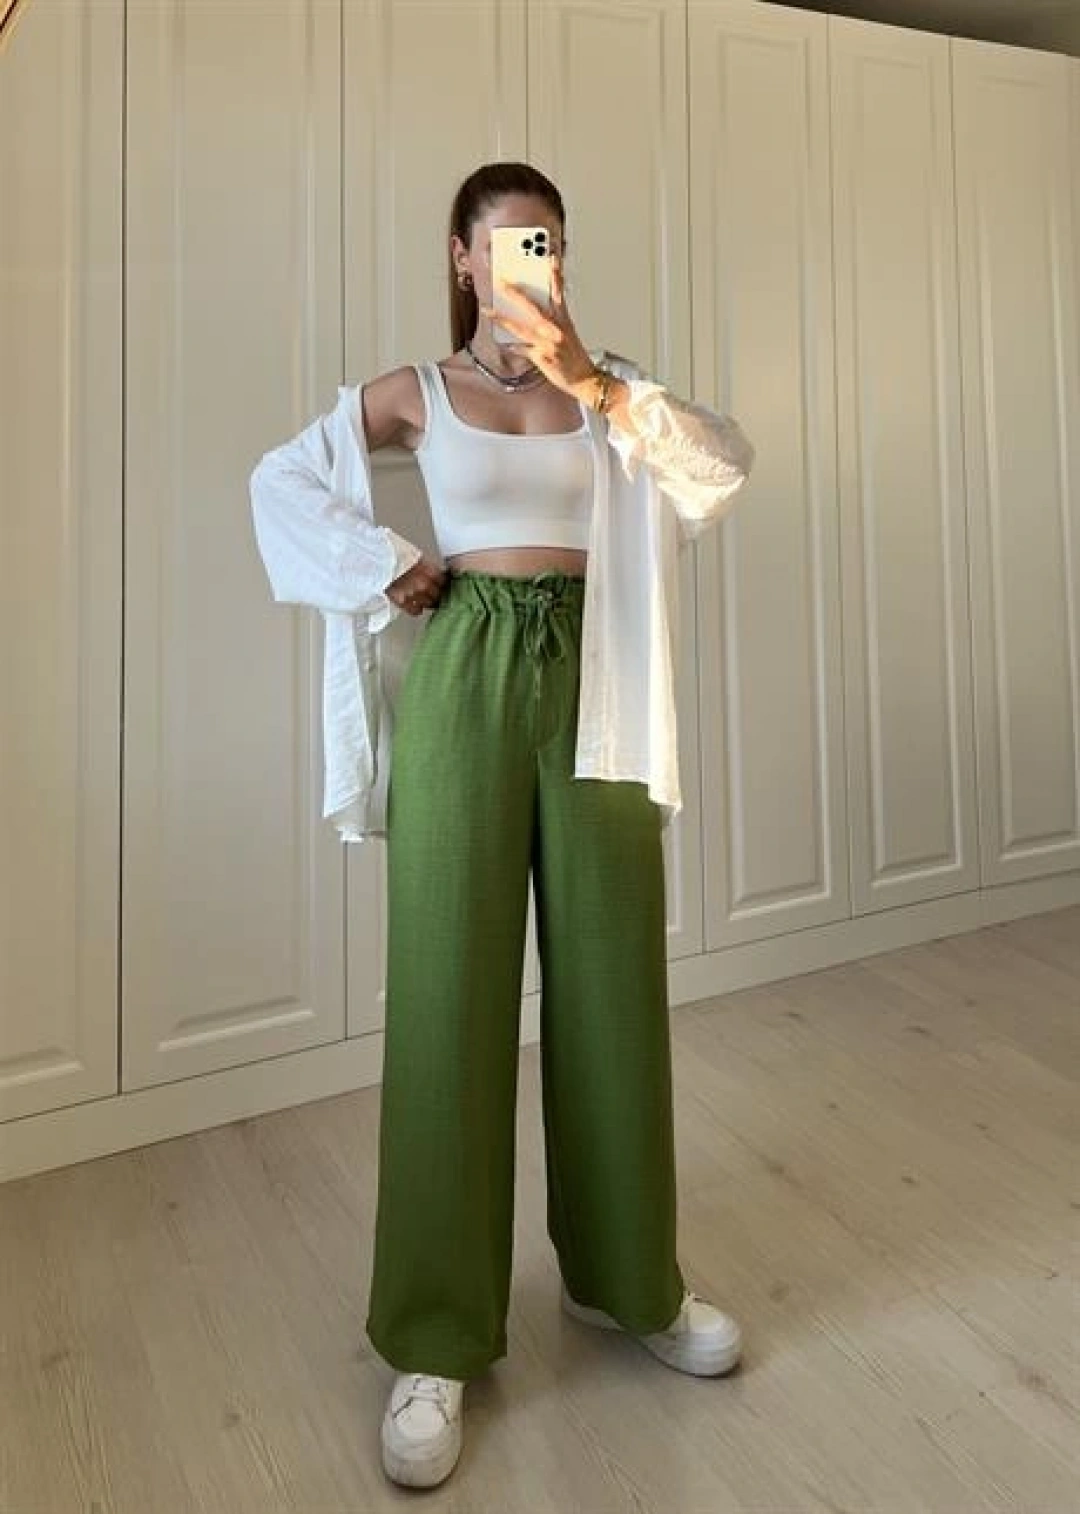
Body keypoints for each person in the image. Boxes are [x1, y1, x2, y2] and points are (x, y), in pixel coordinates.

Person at [250, 161, 754, 1491]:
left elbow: (719, 469)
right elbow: (279, 481)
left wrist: (595, 382)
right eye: (514, 243)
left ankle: (629, 1281)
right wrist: (382, 565)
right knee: (447, 993)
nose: (539, 263)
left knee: (611, 983)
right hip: (468, 664)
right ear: (463, 257)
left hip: (597, 680)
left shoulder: (610, 390)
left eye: (554, 245)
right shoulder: (417, 392)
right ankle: (434, 1335)